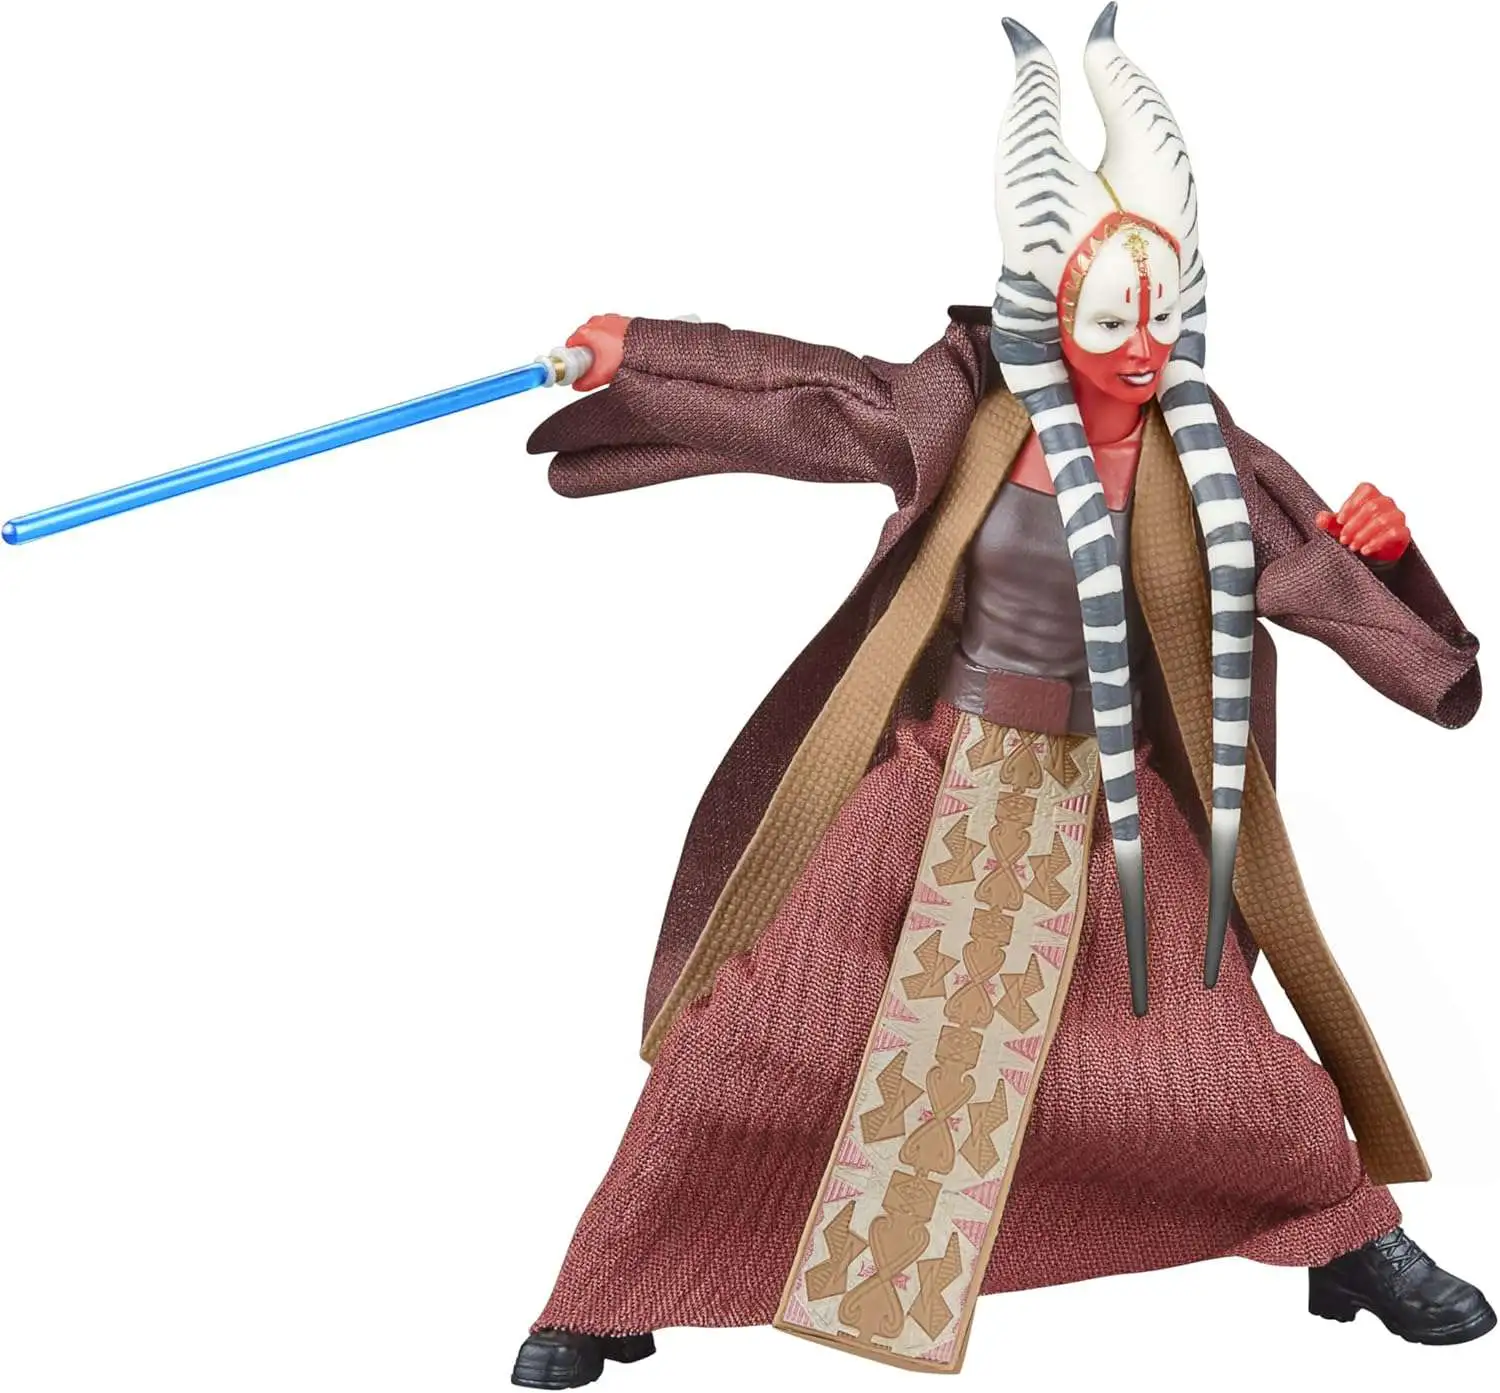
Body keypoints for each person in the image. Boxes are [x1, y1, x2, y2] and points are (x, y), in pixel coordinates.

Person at [510, 8, 1492, 1387]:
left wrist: (1384, 566)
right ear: (1049, 309)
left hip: (1112, 813)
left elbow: (1311, 576)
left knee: (1213, 1058)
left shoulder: (1208, 455)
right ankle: (610, 1291)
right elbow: (811, 397)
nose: (1143, 342)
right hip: (932, 789)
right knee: (765, 1029)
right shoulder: (966, 413)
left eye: (1164, 312)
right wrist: (645, 354)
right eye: (1112, 315)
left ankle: (1345, 1239)